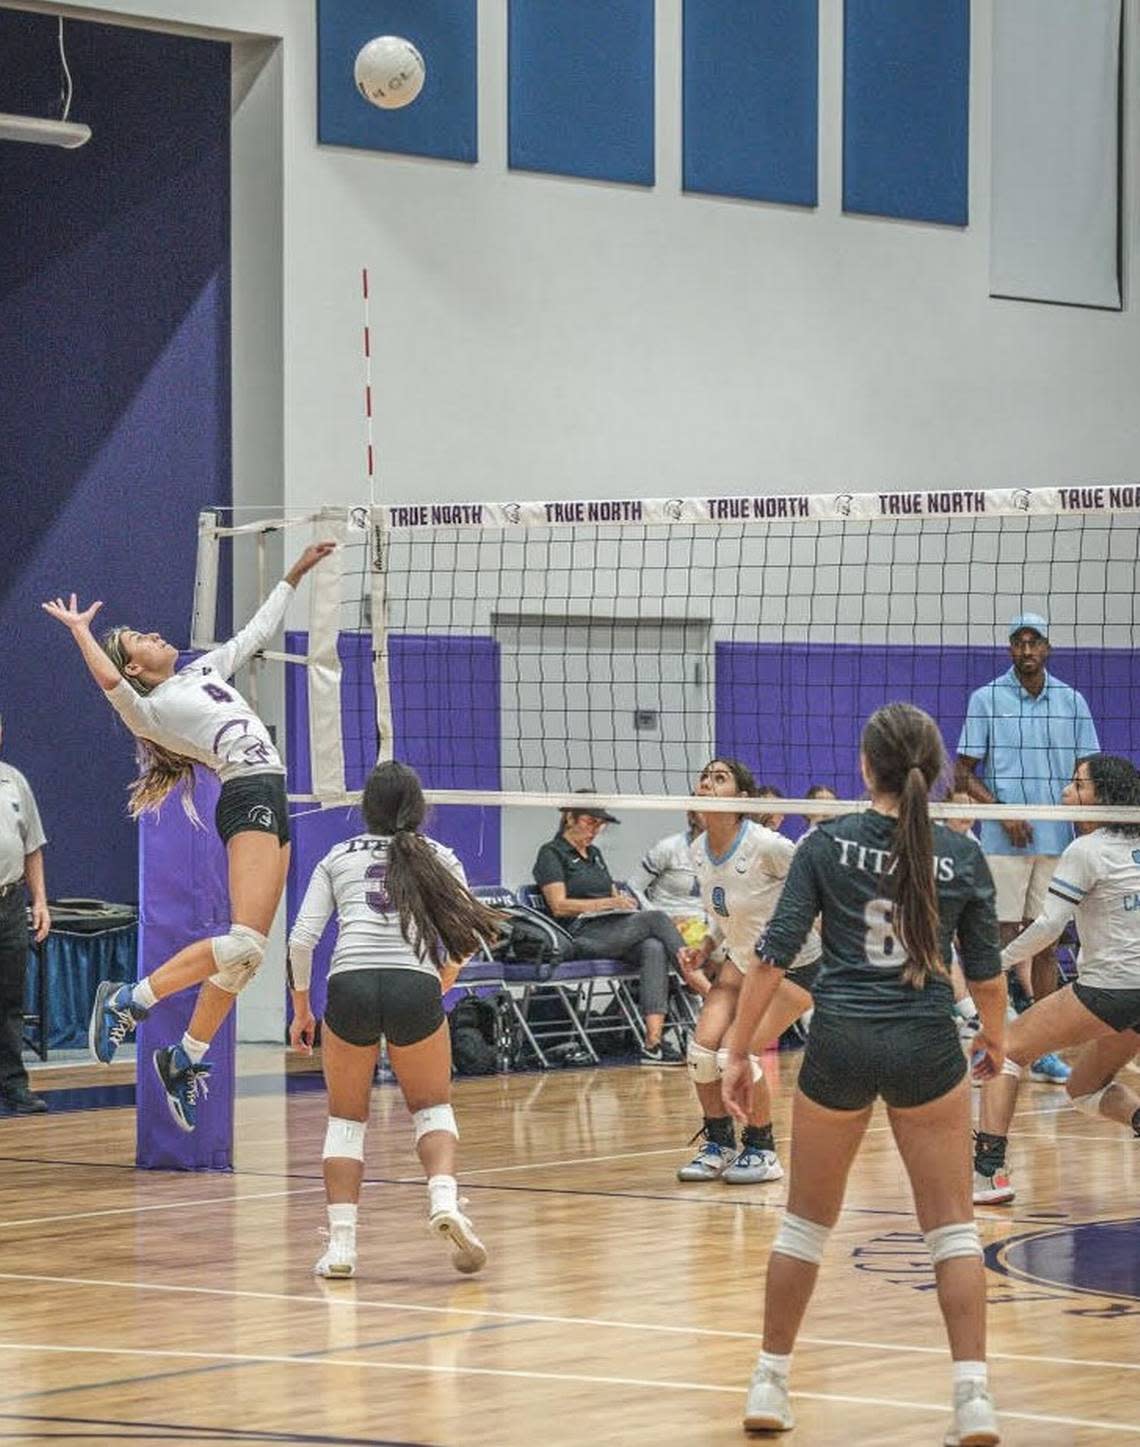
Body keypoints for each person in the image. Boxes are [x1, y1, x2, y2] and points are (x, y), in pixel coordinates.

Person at [722, 703, 1006, 1445]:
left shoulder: (825, 844)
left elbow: (772, 955)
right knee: (952, 1232)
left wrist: (740, 1049)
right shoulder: (964, 856)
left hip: (841, 1041)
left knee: (804, 1225)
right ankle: (973, 1399)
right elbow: (987, 974)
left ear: (864, 766)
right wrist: (998, 1041)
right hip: (925, 1046)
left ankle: (769, 1382)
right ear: (938, 767)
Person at [42, 542, 335, 1130]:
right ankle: (131, 999)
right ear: (133, 668)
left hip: (271, 791)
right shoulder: (150, 710)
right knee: (244, 944)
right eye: (140, 643)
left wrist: (293, 575)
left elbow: (254, 634)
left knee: (246, 960)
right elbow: (107, 683)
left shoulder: (202, 671)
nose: (153, 636)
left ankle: (185, 1057)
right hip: (246, 791)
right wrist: (81, 632)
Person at [288, 760, 501, 1279]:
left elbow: (300, 941)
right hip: (413, 984)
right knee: (431, 1109)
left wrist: (301, 1009)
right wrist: (444, 976)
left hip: (351, 985)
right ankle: (444, 1199)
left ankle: (341, 1246)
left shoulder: (337, 856)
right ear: (418, 808)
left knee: (345, 1120)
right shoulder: (439, 856)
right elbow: (470, 933)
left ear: (365, 809)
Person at [973, 754, 1140, 1205]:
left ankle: (988, 1173)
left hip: (1110, 989)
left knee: (1005, 1050)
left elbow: (1049, 927)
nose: (1067, 792)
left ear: (1100, 796)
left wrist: (999, 962)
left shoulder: (1086, 850)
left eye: (1077, 784)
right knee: (1084, 1090)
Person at [956, 611, 1099, 1085]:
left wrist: (1086, 827)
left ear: (1047, 648)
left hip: (1058, 837)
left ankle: (1042, 1048)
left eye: (1034, 641)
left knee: (1047, 940)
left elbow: (1087, 773)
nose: (1026, 649)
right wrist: (1002, 811)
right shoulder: (986, 698)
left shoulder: (1073, 702)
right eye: (1018, 642)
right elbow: (962, 774)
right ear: (1010, 649)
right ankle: (997, 1032)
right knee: (997, 937)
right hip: (1004, 837)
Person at [677, 759, 821, 1186]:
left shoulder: (767, 846)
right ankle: (720, 1144)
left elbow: (816, 886)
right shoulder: (697, 850)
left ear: (743, 798)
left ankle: (761, 1148)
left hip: (797, 965)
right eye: (704, 775)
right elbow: (723, 914)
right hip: (743, 960)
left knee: (736, 1052)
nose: (706, 781)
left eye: (719, 777)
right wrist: (703, 947)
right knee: (702, 1053)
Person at [534, 801, 685, 1065]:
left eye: (599, 825)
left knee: (654, 947)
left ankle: (654, 1043)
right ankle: (701, 984)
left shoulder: (594, 855)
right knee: (657, 919)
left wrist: (622, 901)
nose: (595, 830)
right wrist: (608, 903)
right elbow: (559, 906)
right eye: (589, 822)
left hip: (612, 928)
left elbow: (612, 894)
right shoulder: (551, 853)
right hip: (580, 933)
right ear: (570, 818)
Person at [0, 716, 51, 1115]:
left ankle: (14, 1086)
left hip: (9, 902)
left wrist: (40, 901)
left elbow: (32, 845)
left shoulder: (14, 780)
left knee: (9, 999)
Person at [640, 812, 707, 948]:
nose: (712, 815)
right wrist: (663, 920)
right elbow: (633, 887)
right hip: (670, 924)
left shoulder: (730, 854)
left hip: (707, 926)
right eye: (704, 810)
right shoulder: (669, 847)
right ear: (691, 817)